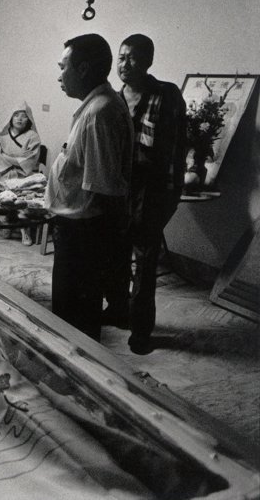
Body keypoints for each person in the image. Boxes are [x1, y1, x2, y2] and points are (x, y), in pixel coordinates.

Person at [45, 33, 133, 342]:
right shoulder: (95, 105)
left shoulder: (100, 112)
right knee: (68, 316)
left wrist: (105, 257)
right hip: (77, 231)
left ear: (82, 69)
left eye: (63, 67)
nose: (59, 76)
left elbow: (104, 189)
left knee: (74, 324)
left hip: (84, 236)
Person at [103, 34, 187, 355]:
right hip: (118, 188)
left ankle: (141, 330)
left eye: (133, 57)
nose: (125, 64)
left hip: (152, 189)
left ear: (148, 61)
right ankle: (117, 309)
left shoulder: (167, 95)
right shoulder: (113, 98)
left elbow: (176, 146)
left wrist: (172, 191)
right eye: (121, 57)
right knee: (115, 253)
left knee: (145, 260)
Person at [0, 102, 42, 245]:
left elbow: (30, 160)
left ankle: (24, 229)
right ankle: (6, 222)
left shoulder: (33, 136)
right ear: (11, 117)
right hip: (4, 173)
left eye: (24, 116)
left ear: (29, 119)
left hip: (24, 175)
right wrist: (16, 160)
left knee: (23, 195)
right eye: (16, 115)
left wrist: (6, 157)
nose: (19, 119)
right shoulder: (1, 135)